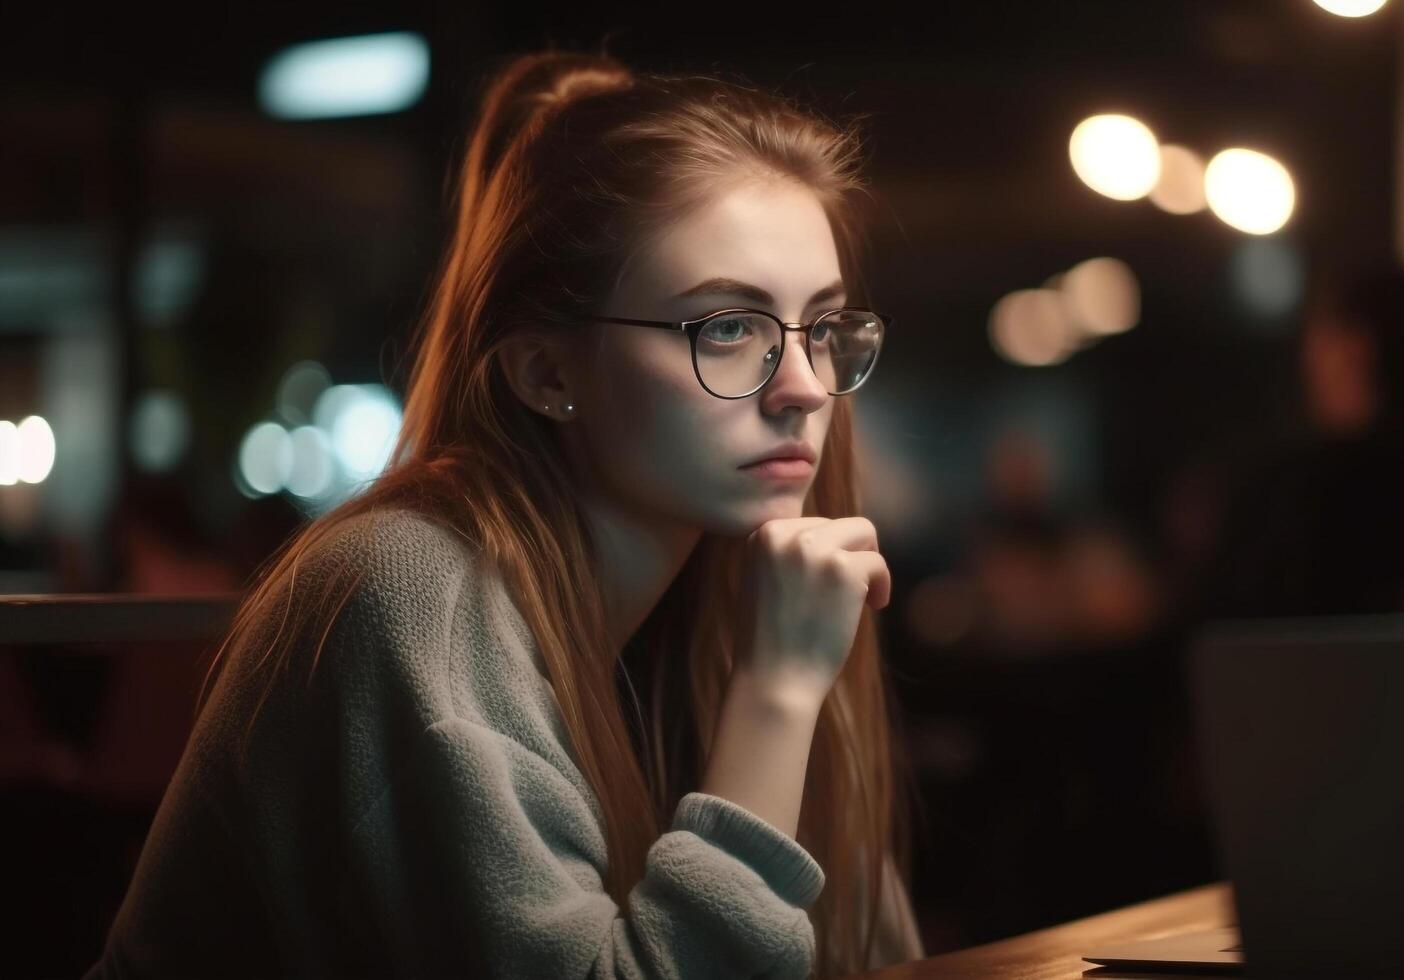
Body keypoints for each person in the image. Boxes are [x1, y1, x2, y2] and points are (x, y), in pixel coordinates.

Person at [85, 50, 921, 979]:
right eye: (726, 327)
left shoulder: (724, 601)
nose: (805, 388)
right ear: (546, 373)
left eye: (822, 327)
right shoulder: (406, 593)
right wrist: (777, 690)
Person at [1187, 266, 1404, 619]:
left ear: (1357, 350)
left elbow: (1229, 635)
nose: (1308, 362)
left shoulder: (1302, 499)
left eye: (1321, 338)